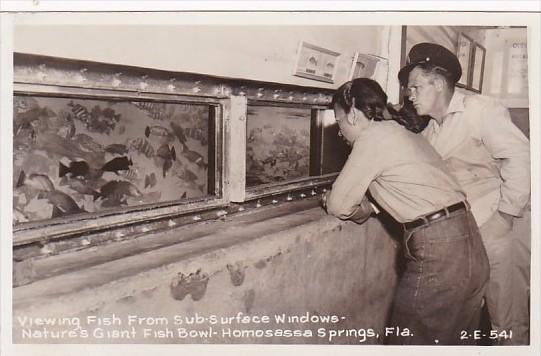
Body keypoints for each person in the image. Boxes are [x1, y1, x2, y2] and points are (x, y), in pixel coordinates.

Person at [322, 78, 489, 345]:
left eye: (339, 121)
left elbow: (339, 205)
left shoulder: (374, 137)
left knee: (408, 342)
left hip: (440, 250)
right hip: (470, 243)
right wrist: (365, 207)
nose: (340, 132)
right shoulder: (403, 133)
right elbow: (400, 188)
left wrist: (352, 208)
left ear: (353, 114)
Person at [398, 42, 531, 345]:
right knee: (470, 320)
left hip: (502, 228)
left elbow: (522, 159)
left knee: (507, 323)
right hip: (468, 237)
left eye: (416, 86)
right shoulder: (430, 132)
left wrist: (505, 217)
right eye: (409, 89)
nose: (410, 94)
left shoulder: (481, 110)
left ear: (440, 83)